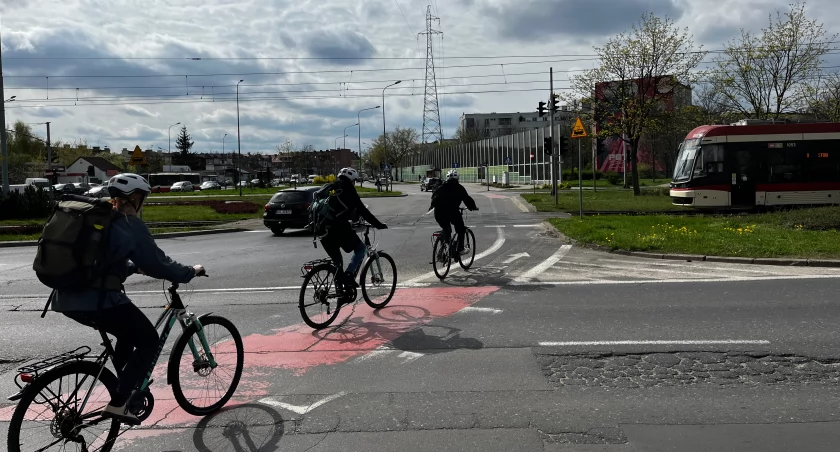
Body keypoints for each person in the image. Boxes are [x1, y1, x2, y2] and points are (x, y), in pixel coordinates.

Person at [50, 173, 204, 425]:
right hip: (99, 301)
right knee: (148, 341)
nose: (142, 203)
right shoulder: (129, 224)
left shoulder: (99, 220)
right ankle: (120, 403)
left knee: (126, 331)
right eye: (142, 198)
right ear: (134, 198)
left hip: (65, 298)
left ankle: (125, 384)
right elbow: (158, 263)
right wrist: (190, 272)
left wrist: (131, 267)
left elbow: (99, 262)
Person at [319, 168, 387, 294]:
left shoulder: (329, 187)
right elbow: (362, 210)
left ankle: (340, 291)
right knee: (361, 248)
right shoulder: (348, 190)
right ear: (351, 180)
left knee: (337, 264)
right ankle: (349, 276)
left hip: (321, 229)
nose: (354, 183)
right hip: (338, 229)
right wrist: (378, 224)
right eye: (354, 181)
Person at [430, 169, 478, 255]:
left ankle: (443, 248)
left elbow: (434, 198)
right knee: (461, 228)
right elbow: (467, 199)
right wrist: (473, 207)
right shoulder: (459, 188)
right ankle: (460, 249)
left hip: (438, 213)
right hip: (452, 212)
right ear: (458, 178)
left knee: (446, 229)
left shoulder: (441, 186)